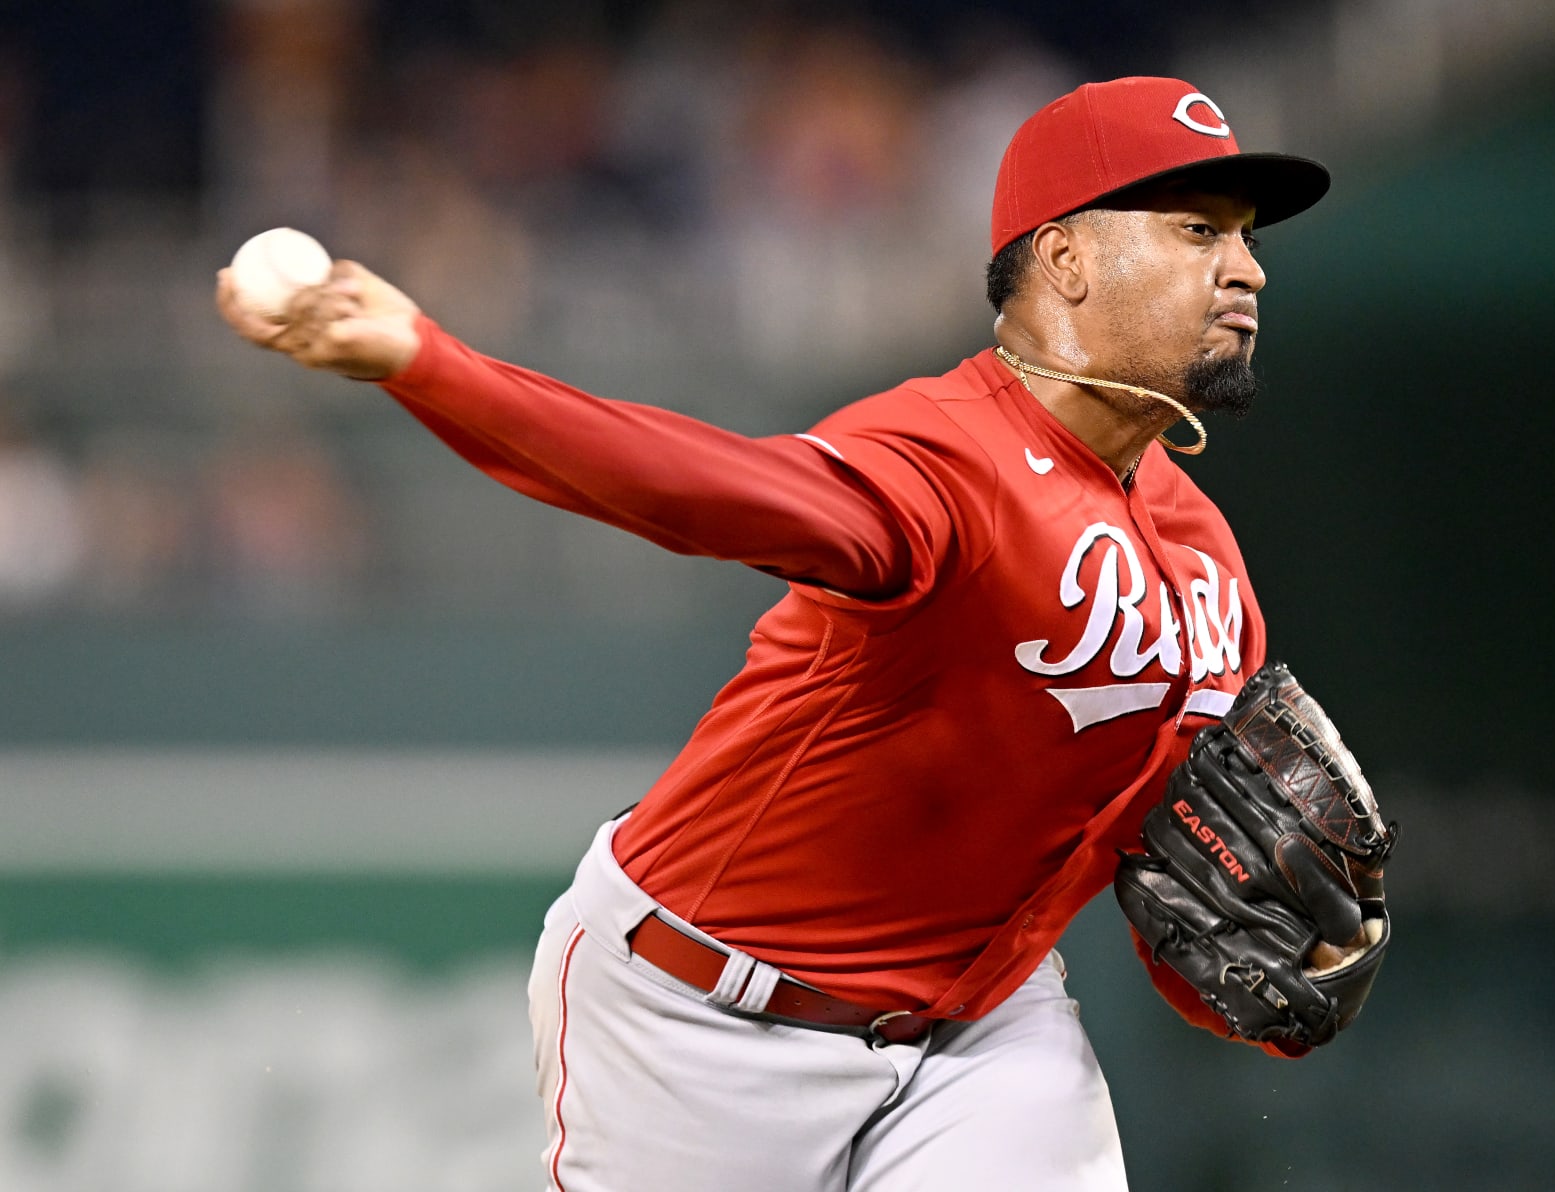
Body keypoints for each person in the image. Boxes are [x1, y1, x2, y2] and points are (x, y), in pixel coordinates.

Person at [218, 75, 1345, 1192]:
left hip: (983, 1033)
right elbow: (699, 487)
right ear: (1065, 258)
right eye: (1198, 230)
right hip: (699, 1023)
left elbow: (1172, 881)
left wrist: (1295, 958)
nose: (1245, 269)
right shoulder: (943, 463)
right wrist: (430, 364)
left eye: (1245, 238)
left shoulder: (1207, 564)